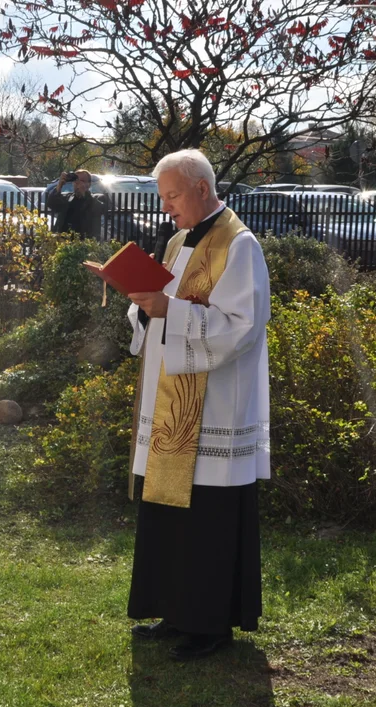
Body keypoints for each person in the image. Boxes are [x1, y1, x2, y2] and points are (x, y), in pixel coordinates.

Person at [124, 149, 270, 661]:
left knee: (207, 516)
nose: (166, 208)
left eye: (172, 196)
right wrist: (143, 307)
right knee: (166, 510)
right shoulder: (177, 243)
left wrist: (170, 310)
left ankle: (209, 625)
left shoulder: (240, 245)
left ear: (202, 189)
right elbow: (156, 312)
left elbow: (242, 327)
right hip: (170, 406)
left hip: (214, 409)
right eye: (162, 197)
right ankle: (172, 610)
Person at [46, 169, 107, 240]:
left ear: (89, 184)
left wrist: (84, 193)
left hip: (84, 243)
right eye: (76, 180)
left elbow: (99, 209)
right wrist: (59, 185)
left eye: (82, 181)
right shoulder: (67, 198)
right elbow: (51, 204)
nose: (78, 183)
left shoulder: (96, 198)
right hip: (64, 242)